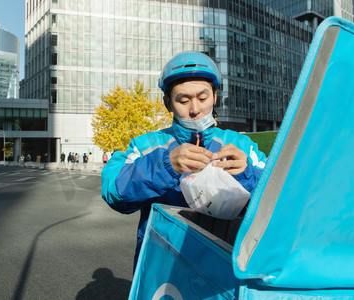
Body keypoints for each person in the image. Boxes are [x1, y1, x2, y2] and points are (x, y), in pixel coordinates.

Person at [101, 51, 267, 269]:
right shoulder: (146, 145)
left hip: (223, 267)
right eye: (183, 100)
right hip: (162, 267)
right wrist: (165, 165)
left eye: (203, 97)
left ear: (215, 96)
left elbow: (278, 202)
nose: (195, 109)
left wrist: (247, 175)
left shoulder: (242, 145)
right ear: (168, 103)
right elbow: (114, 192)